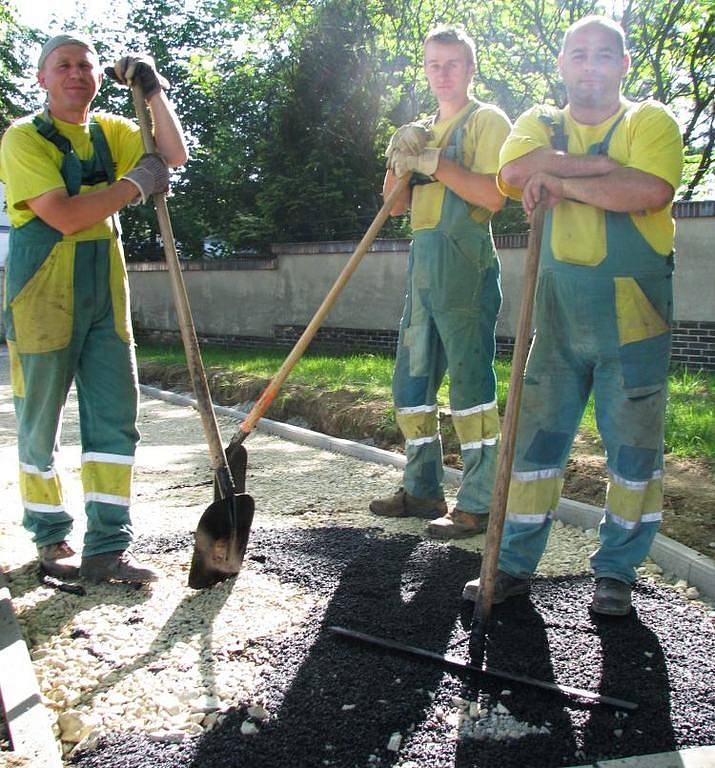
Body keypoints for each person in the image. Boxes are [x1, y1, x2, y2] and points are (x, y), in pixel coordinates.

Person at [462, 16, 683, 615]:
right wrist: (595, 170)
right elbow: (511, 175)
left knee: (634, 448)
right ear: (562, 64)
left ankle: (616, 572)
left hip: (634, 315)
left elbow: (649, 192)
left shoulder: (649, 120)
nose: (590, 67)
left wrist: (556, 177)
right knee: (534, 441)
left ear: (624, 65)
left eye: (604, 56)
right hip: (556, 315)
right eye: (579, 55)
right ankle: (509, 565)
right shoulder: (538, 121)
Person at [0, 33, 188, 583]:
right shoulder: (21, 139)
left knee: (114, 419)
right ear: (42, 79)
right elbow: (62, 215)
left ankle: (108, 547)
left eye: (85, 65)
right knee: (40, 423)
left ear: (99, 78)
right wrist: (133, 185)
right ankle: (51, 538)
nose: (76, 73)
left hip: (105, 294)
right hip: (42, 294)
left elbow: (172, 154)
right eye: (63, 66)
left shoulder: (112, 130)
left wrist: (153, 92)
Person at [370, 26, 511, 539]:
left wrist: (436, 161)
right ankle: (422, 488)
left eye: (453, 64)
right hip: (423, 267)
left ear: (471, 68)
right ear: (425, 69)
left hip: (465, 265)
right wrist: (399, 158)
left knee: (471, 389)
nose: (443, 73)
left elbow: (494, 196)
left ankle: (477, 503)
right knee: (412, 385)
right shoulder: (419, 127)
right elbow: (395, 205)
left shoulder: (486, 120)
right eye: (434, 64)